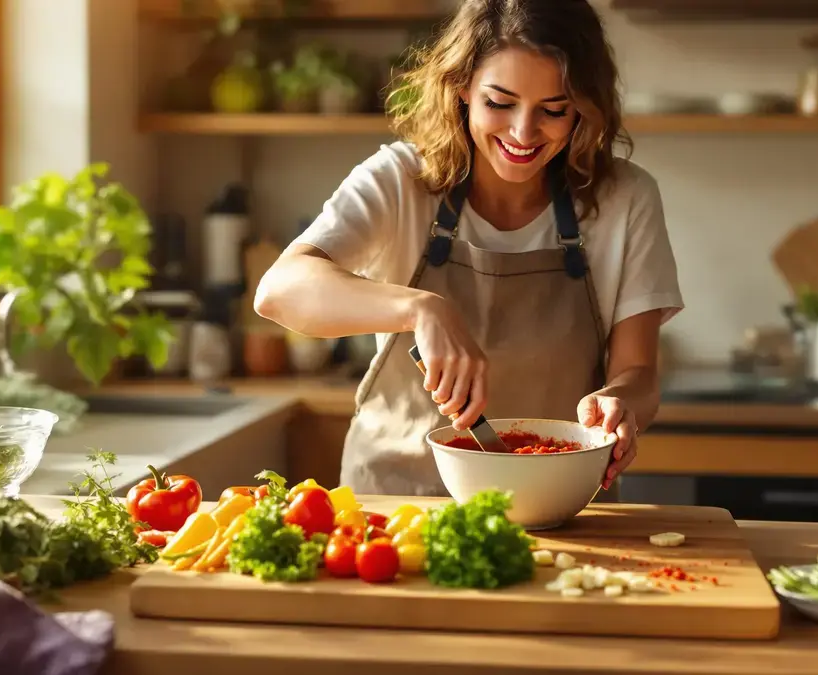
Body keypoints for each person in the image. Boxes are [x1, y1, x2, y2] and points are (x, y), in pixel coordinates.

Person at [254, 0, 683, 497]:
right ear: (461, 87)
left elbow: (638, 373)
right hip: (395, 505)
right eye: (499, 103)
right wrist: (421, 309)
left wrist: (620, 402)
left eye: (553, 110)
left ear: (584, 107)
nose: (523, 133)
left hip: (556, 503)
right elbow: (279, 290)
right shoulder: (399, 180)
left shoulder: (625, 199)